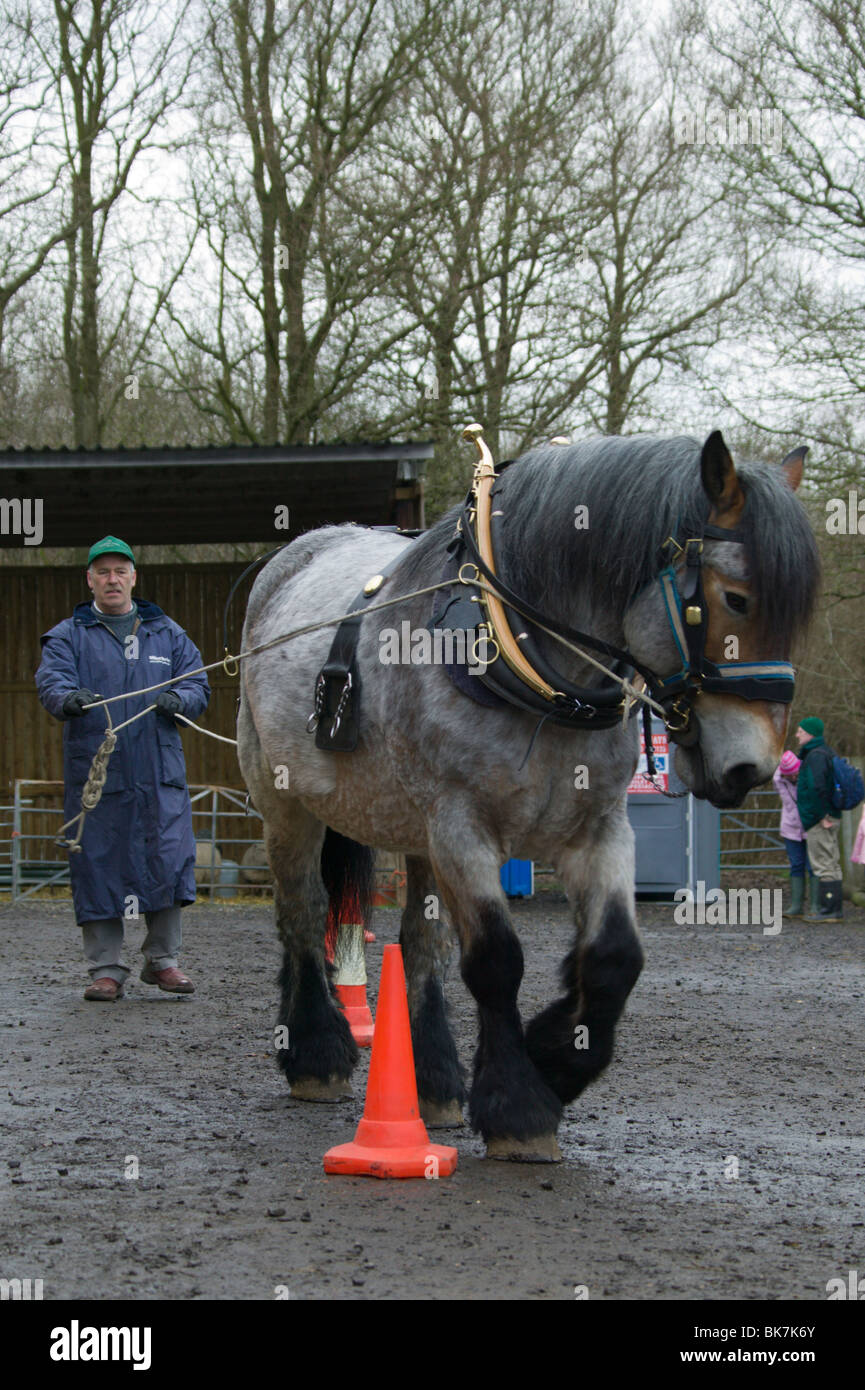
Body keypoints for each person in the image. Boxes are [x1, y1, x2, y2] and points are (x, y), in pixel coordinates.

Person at [35, 536, 211, 999]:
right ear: (89, 580)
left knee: (168, 861)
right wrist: (67, 699)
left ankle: (163, 961)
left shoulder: (167, 633)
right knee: (97, 864)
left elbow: (197, 683)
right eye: (102, 572)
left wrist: (182, 701)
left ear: (133, 577)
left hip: (158, 775)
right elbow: (52, 681)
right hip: (100, 774)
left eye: (120, 571)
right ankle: (106, 969)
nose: (112, 579)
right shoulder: (67, 636)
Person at [795, 716, 843, 923]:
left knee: (823, 864)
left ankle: (828, 910)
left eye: (800, 731)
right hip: (830, 815)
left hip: (820, 819)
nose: (797, 735)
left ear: (810, 733)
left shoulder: (815, 756)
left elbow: (817, 787)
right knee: (832, 862)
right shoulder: (826, 752)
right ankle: (834, 909)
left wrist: (822, 815)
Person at [772, 749, 815, 919]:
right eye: (790, 775)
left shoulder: (808, 776)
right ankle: (796, 905)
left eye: (795, 774)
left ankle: (814, 904)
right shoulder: (780, 780)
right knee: (796, 864)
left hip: (810, 825)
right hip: (790, 826)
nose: (793, 778)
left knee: (813, 866)